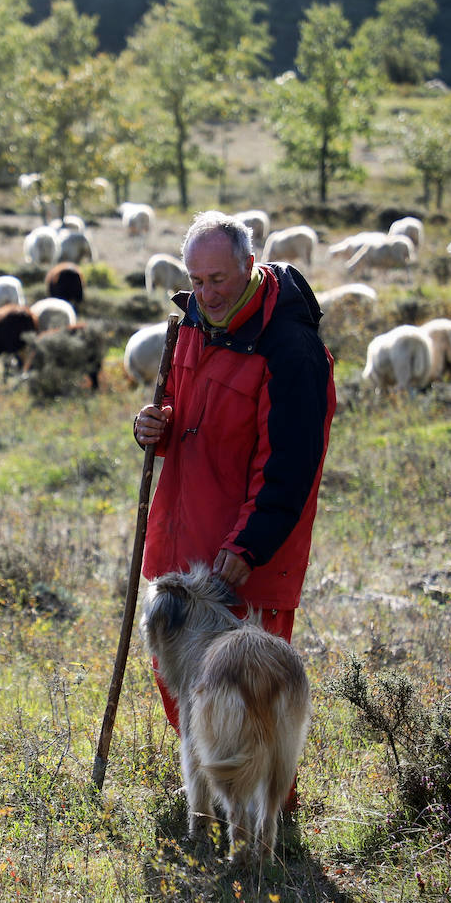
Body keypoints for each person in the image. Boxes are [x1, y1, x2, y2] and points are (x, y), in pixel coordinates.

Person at [132, 210, 335, 745]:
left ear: (249, 264)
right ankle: (207, 787)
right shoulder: (194, 324)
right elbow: (181, 409)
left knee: (249, 693)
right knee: (180, 675)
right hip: (180, 539)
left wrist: (248, 547)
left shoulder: (289, 349)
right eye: (196, 281)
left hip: (243, 557)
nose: (206, 293)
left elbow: (290, 462)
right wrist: (154, 425)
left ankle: (268, 812)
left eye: (218, 280)